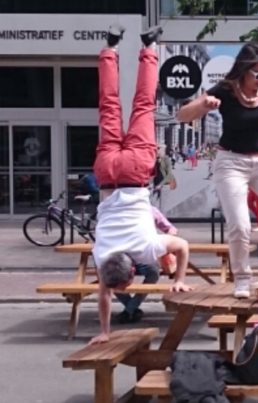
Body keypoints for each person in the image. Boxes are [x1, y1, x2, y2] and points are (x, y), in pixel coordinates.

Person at [177, 42, 258, 298]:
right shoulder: (226, 89)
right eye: (257, 74)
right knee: (240, 225)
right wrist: (203, 105)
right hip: (231, 163)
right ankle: (242, 279)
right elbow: (182, 115)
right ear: (244, 70)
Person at [90, 24, 192, 345]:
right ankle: (110, 47)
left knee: (143, 104)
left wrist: (179, 279)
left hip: (135, 174)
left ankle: (149, 47)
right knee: (109, 105)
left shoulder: (148, 249)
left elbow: (183, 246)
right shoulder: (102, 256)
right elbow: (104, 295)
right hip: (108, 173)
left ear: (133, 270)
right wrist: (103, 332)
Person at [114, 206, 178, 324]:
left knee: (153, 272)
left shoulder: (150, 210)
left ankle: (129, 310)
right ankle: (131, 309)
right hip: (123, 257)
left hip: (143, 257)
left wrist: (164, 240)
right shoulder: (117, 211)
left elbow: (171, 229)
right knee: (109, 275)